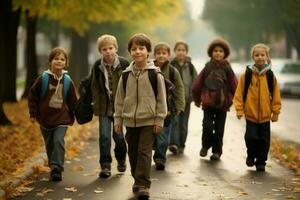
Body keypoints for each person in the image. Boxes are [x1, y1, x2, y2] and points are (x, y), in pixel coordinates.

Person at [114, 33, 167, 199]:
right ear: (130, 52)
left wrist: (159, 119)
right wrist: (118, 119)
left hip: (148, 121)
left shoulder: (155, 75)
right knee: (133, 153)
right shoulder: (125, 75)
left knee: (144, 152)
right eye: (134, 49)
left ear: (148, 51)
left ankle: (143, 184)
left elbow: (161, 99)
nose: (138, 52)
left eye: (141, 48)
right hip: (130, 121)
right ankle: (137, 180)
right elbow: (119, 100)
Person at [28, 47, 78, 181]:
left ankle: (57, 168)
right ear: (50, 61)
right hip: (44, 119)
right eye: (56, 58)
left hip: (61, 118)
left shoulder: (67, 81)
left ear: (66, 63)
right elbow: (32, 96)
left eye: (62, 59)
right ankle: (53, 165)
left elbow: (73, 101)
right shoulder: (43, 79)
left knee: (58, 141)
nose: (59, 61)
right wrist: (33, 113)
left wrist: (75, 115)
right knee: (49, 144)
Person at [233, 43, 281, 171]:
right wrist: (239, 109)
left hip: (265, 117)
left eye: (262, 55)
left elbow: (276, 96)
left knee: (264, 141)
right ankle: (251, 155)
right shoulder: (247, 75)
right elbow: (238, 94)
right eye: (257, 55)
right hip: (251, 115)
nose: (260, 57)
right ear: (253, 57)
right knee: (251, 137)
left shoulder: (270, 76)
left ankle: (261, 162)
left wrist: (275, 112)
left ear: (267, 57)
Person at [90, 34, 129, 178]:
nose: (108, 51)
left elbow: (129, 84)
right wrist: (95, 103)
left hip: (120, 108)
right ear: (100, 51)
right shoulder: (97, 66)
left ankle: (121, 159)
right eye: (104, 49)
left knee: (119, 137)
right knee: (104, 136)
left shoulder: (124, 64)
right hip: (104, 108)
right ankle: (105, 165)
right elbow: (94, 86)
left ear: (116, 48)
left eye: (111, 48)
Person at [192, 38, 237, 161]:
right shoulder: (208, 67)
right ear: (211, 53)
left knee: (219, 129)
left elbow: (235, 85)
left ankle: (217, 151)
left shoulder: (227, 68)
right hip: (208, 104)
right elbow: (197, 84)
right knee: (207, 127)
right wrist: (196, 99)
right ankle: (205, 146)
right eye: (215, 51)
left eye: (221, 51)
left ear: (225, 53)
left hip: (223, 105)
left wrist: (235, 101)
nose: (218, 53)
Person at [152, 42, 185, 170]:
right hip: (151, 108)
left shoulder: (172, 71)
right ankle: (154, 149)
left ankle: (160, 159)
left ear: (169, 55)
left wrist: (180, 105)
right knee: (152, 135)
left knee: (164, 135)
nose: (161, 55)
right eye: (158, 53)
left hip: (168, 109)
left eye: (164, 53)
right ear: (154, 55)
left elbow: (180, 88)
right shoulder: (149, 68)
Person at [169, 41, 197, 154]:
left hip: (186, 100)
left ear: (186, 52)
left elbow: (196, 81)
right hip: (174, 100)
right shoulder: (171, 65)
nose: (181, 52)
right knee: (174, 121)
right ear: (175, 51)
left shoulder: (190, 66)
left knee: (183, 123)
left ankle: (181, 143)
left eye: (183, 50)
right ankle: (174, 143)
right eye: (178, 50)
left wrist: (193, 96)